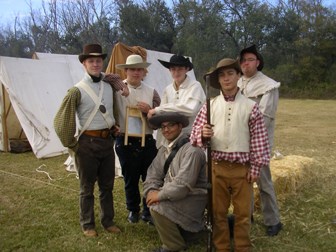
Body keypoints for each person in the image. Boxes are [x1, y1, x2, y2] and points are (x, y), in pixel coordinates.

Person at [190, 58, 270, 251]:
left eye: (230, 74)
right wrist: (203, 134)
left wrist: (256, 167)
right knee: (218, 212)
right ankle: (222, 246)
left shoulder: (251, 107)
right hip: (216, 168)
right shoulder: (209, 106)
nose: (226, 78)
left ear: (238, 76)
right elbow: (194, 137)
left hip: (242, 170)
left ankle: (243, 246)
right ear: (218, 80)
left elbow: (259, 141)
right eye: (222, 75)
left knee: (243, 213)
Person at [54, 43, 127, 237]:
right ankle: (87, 224)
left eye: (98, 60)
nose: (95, 64)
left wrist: (115, 125)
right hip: (86, 144)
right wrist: (72, 144)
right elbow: (62, 121)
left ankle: (108, 221)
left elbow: (114, 110)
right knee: (86, 188)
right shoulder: (76, 91)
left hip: (106, 143)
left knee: (107, 186)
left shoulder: (109, 86)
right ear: (84, 64)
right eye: (91, 61)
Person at [144, 111, 208, 252]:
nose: (166, 130)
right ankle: (184, 234)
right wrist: (151, 191)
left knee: (157, 207)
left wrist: (158, 195)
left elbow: (182, 185)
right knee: (154, 201)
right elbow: (152, 175)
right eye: (163, 126)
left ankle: (174, 246)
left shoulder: (193, 150)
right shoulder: (163, 150)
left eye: (171, 125)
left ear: (180, 127)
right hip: (175, 196)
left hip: (192, 198)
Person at [238, 44, 282, 236]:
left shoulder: (269, 86)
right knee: (243, 181)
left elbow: (264, 117)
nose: (245, 63)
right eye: (243, 60)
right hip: (239, 140)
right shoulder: (237, 83)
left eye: (249, 60)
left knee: (263, 181)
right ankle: (247, 215)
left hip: (259, 142)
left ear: (258, 62)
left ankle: (273, 220)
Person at [111, 54, 161, 225]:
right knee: (130, 178)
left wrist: (150, 111)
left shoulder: (152, 91)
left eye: (140, 69)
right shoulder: (115, 88)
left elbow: (158, 123)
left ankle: (148, 210)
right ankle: (133, 210)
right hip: (125, 140)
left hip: (146, 140)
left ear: (144, 71)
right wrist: (119, 83)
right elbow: (103, 76)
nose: (136, 72)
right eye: (132, 69)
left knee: (150, 178)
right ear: (126, 70)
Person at [147, 55, 205, 146]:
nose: (176, 72)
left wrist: (158, 110)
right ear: (169, 70)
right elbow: (163, 115)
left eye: (180, 69)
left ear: (186, 69)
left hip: (190, 137)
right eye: (173, 69)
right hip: (170, 138)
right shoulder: (168, 89)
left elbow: (190, 109)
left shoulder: (195, 86)